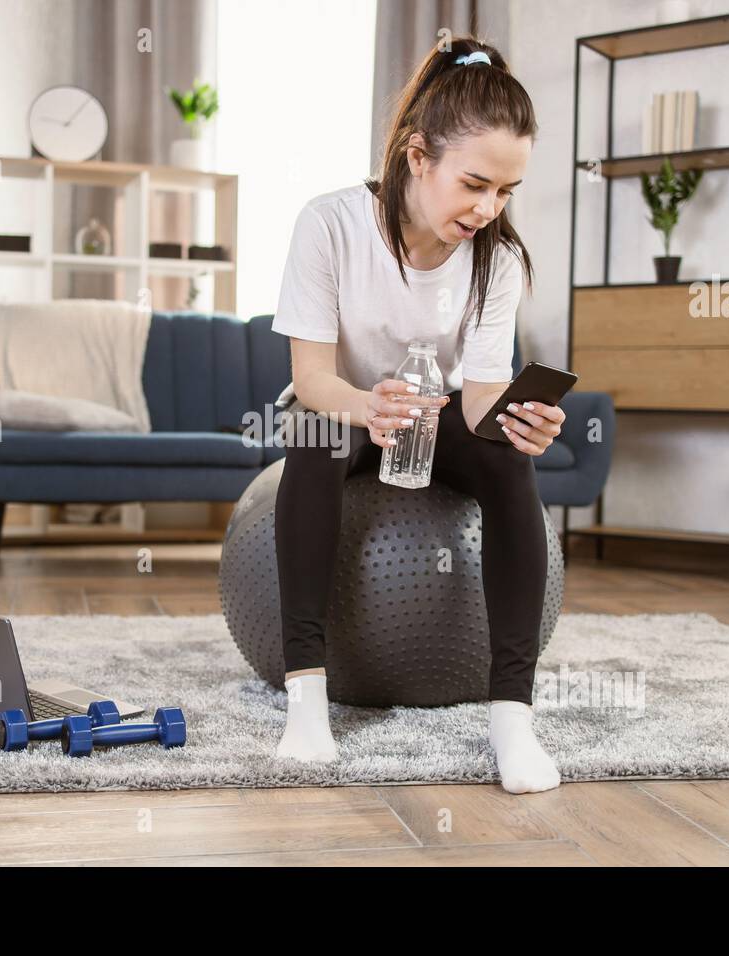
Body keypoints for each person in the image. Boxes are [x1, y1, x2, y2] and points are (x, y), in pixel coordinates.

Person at [269, 37, 564, 794]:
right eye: (474, 183)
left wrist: (517, 423)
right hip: (343, 412)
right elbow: (309, 378)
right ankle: (306, 700)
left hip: (433, 419)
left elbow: (477, 398)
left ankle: (512, 717)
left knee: (506, 456)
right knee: (314, 430)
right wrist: (367, 405)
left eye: (505, 190)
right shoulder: (329, 224)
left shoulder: (496, 260)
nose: (488, 208)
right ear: (416, 156)